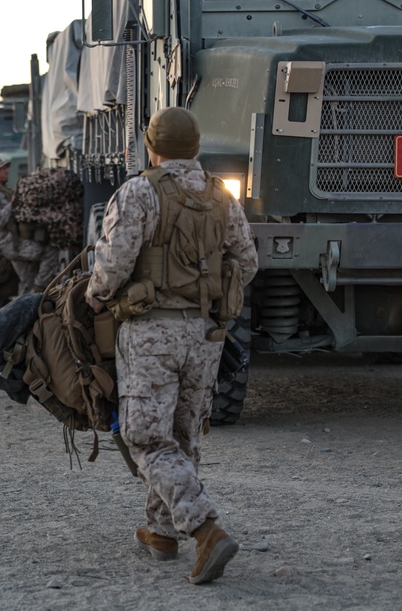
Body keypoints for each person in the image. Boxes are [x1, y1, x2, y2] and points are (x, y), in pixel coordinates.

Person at [84, 107, 258, 584]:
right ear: (196, 147)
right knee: (182, 434)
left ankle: (205, 529)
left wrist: (95, 297)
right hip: (206, 335)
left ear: (151, 146)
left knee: (144, 435)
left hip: (150, 331)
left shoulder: (139, 190)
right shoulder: (221, 194)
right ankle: (161, 532)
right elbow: (247, 261)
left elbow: (114, 263)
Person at [0, 157, 55, 295]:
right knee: (50, 251)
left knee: (27, 281)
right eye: (2, 168)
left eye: (6, 168)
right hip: (10, 243)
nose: (6, 171)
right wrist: (12, 204)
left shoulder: (1, 191)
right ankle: (39, 288)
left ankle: (26, 308)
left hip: (16, 241)